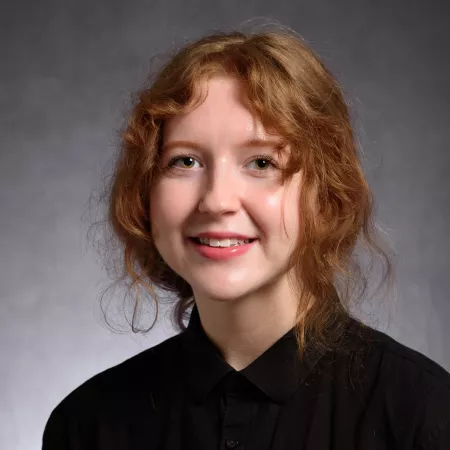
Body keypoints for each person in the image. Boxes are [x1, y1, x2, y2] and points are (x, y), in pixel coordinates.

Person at [42, 27, 450, 449]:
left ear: (325, 194)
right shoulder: (86, 426)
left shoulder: (425, 418)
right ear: (145, 191)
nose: (216, 201)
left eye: (261, 163)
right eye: (185, 161)